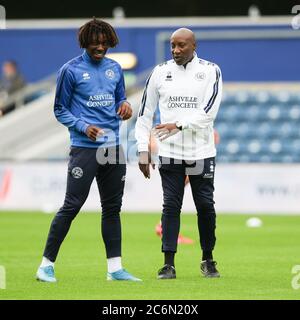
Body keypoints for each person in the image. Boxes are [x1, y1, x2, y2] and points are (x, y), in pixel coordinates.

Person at [36, 18, 141, 282]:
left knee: (112, 208)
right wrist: (84, 126)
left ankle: (115, 269)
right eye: (96, 42)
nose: (100, 47)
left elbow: (119, 98)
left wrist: (125, 105)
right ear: (85, 42)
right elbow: (60, 109)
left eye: (105, 42)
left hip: (113, 147)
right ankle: (45, 266)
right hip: (85, 148)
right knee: (72, 205)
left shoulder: (115, 69)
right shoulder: (70, 71)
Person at [135, 28, 222, 279]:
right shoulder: (160, 72)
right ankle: (168, 264)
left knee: (205, 205)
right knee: (170, 206)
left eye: (181, 45)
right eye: (172, 45)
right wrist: (143, 149)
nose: (175, 50)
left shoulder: (210, 71)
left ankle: (208, 259)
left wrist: (178, 125)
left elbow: (209, 113)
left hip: (201, 151)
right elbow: (144, 113)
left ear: (194, 46)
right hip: (170, 152)